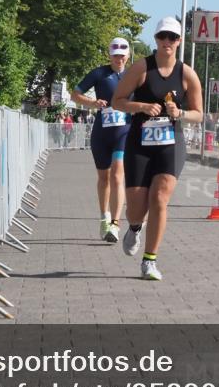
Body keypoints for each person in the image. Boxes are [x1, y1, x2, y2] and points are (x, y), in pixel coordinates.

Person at [111, 17, 203, 281]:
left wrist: (181, 112)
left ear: (179, 42)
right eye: (163, 36)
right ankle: (135, 227)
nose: (167, 42)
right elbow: (117, 102)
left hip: (171, 143)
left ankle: (149, 261)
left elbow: (199, 114)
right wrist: (140, 106)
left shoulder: (187, 74)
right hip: (140, 143)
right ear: (156, 39)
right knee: (136, 209)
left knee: (160, 197)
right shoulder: (141, 68)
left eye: (172, 38)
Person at [70, 38, 132, 243]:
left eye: (123, 55)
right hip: (101, 133)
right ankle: (104, 216)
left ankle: (115, 224)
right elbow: (75, 94)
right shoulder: (99, 73)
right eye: (115, 55)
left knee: (117, 176)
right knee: (104, 178)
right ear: (110, 55)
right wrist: (93, 102)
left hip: (123, 132)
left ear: (128, 56)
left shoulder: (134, 76)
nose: (119, 58)